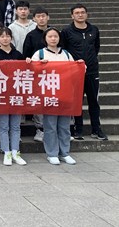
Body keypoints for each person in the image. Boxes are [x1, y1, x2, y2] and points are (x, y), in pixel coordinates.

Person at [28, 27, 79, 165]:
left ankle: (65, 153)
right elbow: (31, 71)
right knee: (50, 126)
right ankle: (52, 153)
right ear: (45, 38)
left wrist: (80, 65)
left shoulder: (66, 54)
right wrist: (40, 65)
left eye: (55, 36)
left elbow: (75, 70)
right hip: (48, 95)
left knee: (64, 126)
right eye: (50, 36)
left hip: (65, 93)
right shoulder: (39, 54)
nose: (53, 39)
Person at [61, 4, 107, 141]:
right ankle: (78, 129)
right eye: (77, 13)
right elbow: (64, 50)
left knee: (94, 101)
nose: (80, 15)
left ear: (86, 14)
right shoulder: (66, 31)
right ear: (72, 15)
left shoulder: (94, 29)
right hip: (75, 72)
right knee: (76, 102)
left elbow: (96, 47)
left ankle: (96, 129)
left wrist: (90, 61)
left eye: (82, 12)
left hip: (92, 71)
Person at [0, 27, 27, 166]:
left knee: (16, 126)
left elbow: (25, 71)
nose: (5, 39)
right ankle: (6, 152)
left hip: (16, 93)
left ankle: (16, 152)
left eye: (7, 36)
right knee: (4, 126)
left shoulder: (18, 54)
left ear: (11, 38)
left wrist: (28, 62)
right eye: (2, 36)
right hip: (1, 94)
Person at [22, 7, 50, 143]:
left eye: (43, 16)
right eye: (38, 16)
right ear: (34, 19)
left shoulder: (55, 33)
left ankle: (57, 129)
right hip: (36, 74)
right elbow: (26, 55)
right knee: (38, 101)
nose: (41, 19)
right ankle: (40, 129)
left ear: (48, 17)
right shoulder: (31, 35)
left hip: (54, 74)